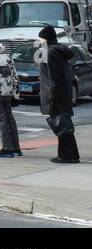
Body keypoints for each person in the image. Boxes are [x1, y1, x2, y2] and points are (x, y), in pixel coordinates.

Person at [38, 25, 81, 164]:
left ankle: (69, 155)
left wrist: (52, 97)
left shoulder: (49, 53)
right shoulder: (59, 51)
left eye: (40, 38)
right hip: (64, 93)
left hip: (56, 96)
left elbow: (53, 78)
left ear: (45, 39)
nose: (39, 41)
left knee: (62, 126)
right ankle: (66, 154)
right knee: (63, 125)